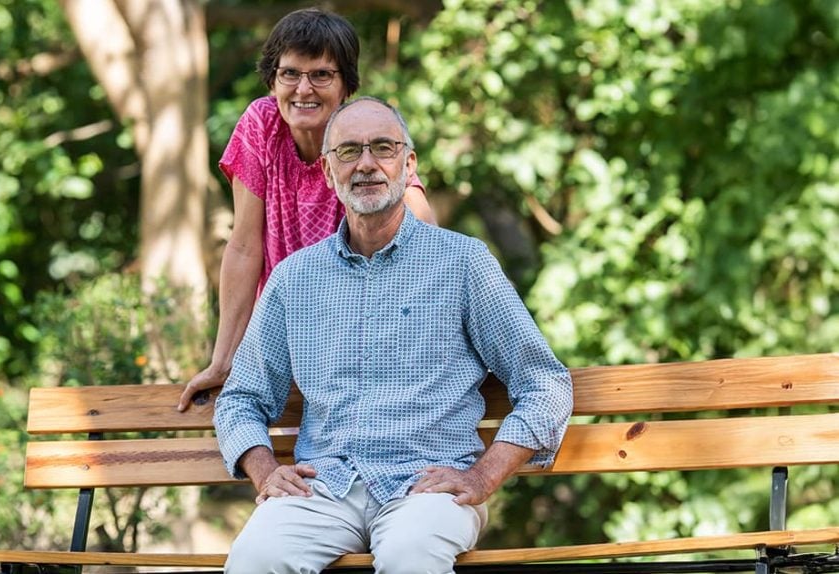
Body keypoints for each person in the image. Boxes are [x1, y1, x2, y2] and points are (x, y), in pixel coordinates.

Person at [213, 97, 574, 573]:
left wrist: (484, 476)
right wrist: (264, 471)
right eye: (348, 151)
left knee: (411, 555)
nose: (366, 164)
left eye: (383, 148)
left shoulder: (462, 263)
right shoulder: (293, 279)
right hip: (323, 488)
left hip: (425, 490)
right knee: (255, 557)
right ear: (326, 171)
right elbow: (241, 397)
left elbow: (546, 383)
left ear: (408, 163)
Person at [177, 8, 435, 411]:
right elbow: (245, 246)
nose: (303, 89)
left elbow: (422, 224)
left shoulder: (360, 132)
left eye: (321, 75)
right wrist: (223, 359)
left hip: (359, 342)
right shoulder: (261, 124)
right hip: (285, 335)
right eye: (290, 74)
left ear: (346, 85)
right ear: (273, 79)